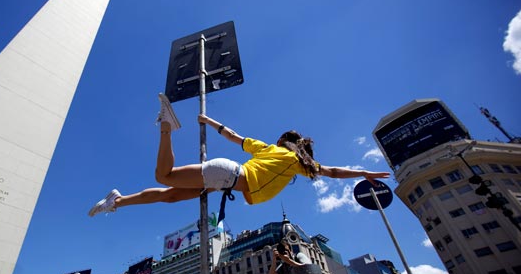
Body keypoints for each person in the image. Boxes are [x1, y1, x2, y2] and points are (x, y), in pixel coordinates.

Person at [88, 93, 390, 217]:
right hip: (228, 174)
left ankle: (118, 200)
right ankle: (167, 124)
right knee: (163, 176)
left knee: (169, 195)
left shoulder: (284, 156)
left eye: (282, 139)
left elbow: (233, 136)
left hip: (226, 180)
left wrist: (211, 122)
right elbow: (333, 172)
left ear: (287, 141)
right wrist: (362, 172)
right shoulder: (289, 160)